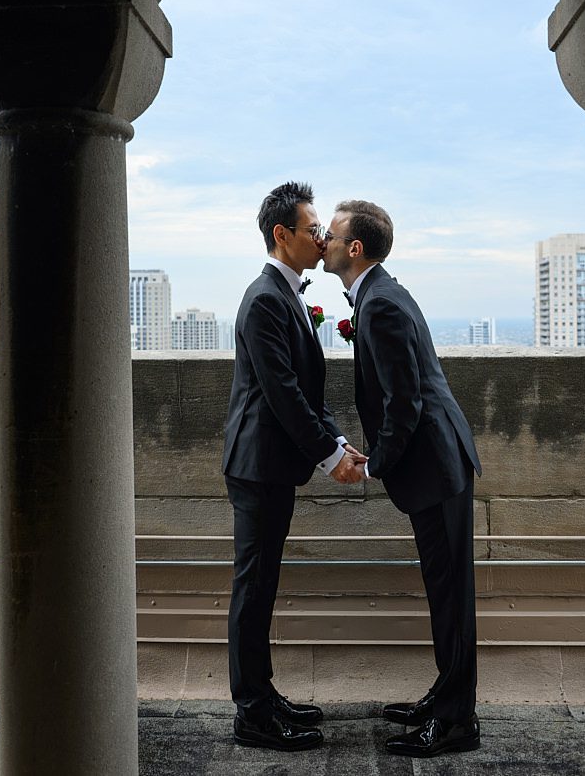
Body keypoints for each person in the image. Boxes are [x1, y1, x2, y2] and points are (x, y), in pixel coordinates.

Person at [322, 199, 483, 758]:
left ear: (355, 248)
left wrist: (375, 462)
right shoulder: (383, 292)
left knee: (451, 595)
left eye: (333, 234)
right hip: (439, 464)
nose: (324, 240)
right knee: (445, 591)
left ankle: (458, 722)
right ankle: (447, 697)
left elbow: (405, 402)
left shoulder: (381, 305)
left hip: (435, 467)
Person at [222, 181, 366, 752]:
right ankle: (252, 713)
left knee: (263, 584)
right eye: (313, 229)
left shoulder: (286, 297)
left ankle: (264, 694)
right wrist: (330, 458)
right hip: (257, 466)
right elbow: (282, 394)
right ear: (282, 236)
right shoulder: (263, 300)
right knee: (253, 588)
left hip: (273, 464)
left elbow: (308, 389)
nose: (323, 236)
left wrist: (336, 436)